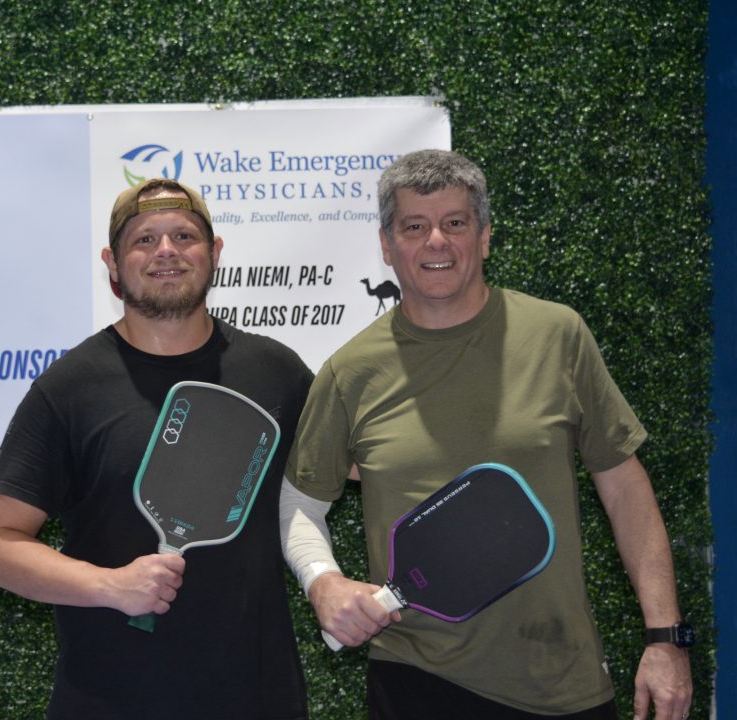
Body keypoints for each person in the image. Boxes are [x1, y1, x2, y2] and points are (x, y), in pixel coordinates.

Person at [279, 149, 694, 720]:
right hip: (415, 680)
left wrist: (665, 638)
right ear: (386, 245)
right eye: (414, 227)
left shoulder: (558, 335)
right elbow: (300, 500)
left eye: (455, 222)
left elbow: (624, 487)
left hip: (559, 679)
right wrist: (322, 582)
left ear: (485, 236)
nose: (436, 242)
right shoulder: (351, 372)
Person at [0, 178, 312, 719]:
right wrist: (110, 585)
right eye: (144, 240)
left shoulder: (276, 372)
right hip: (109, 699)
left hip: (257, 698)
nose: (166, 251)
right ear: (112, 263)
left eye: (184, 236)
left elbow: (346, 471)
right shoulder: (70, 387)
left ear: (215, 252)